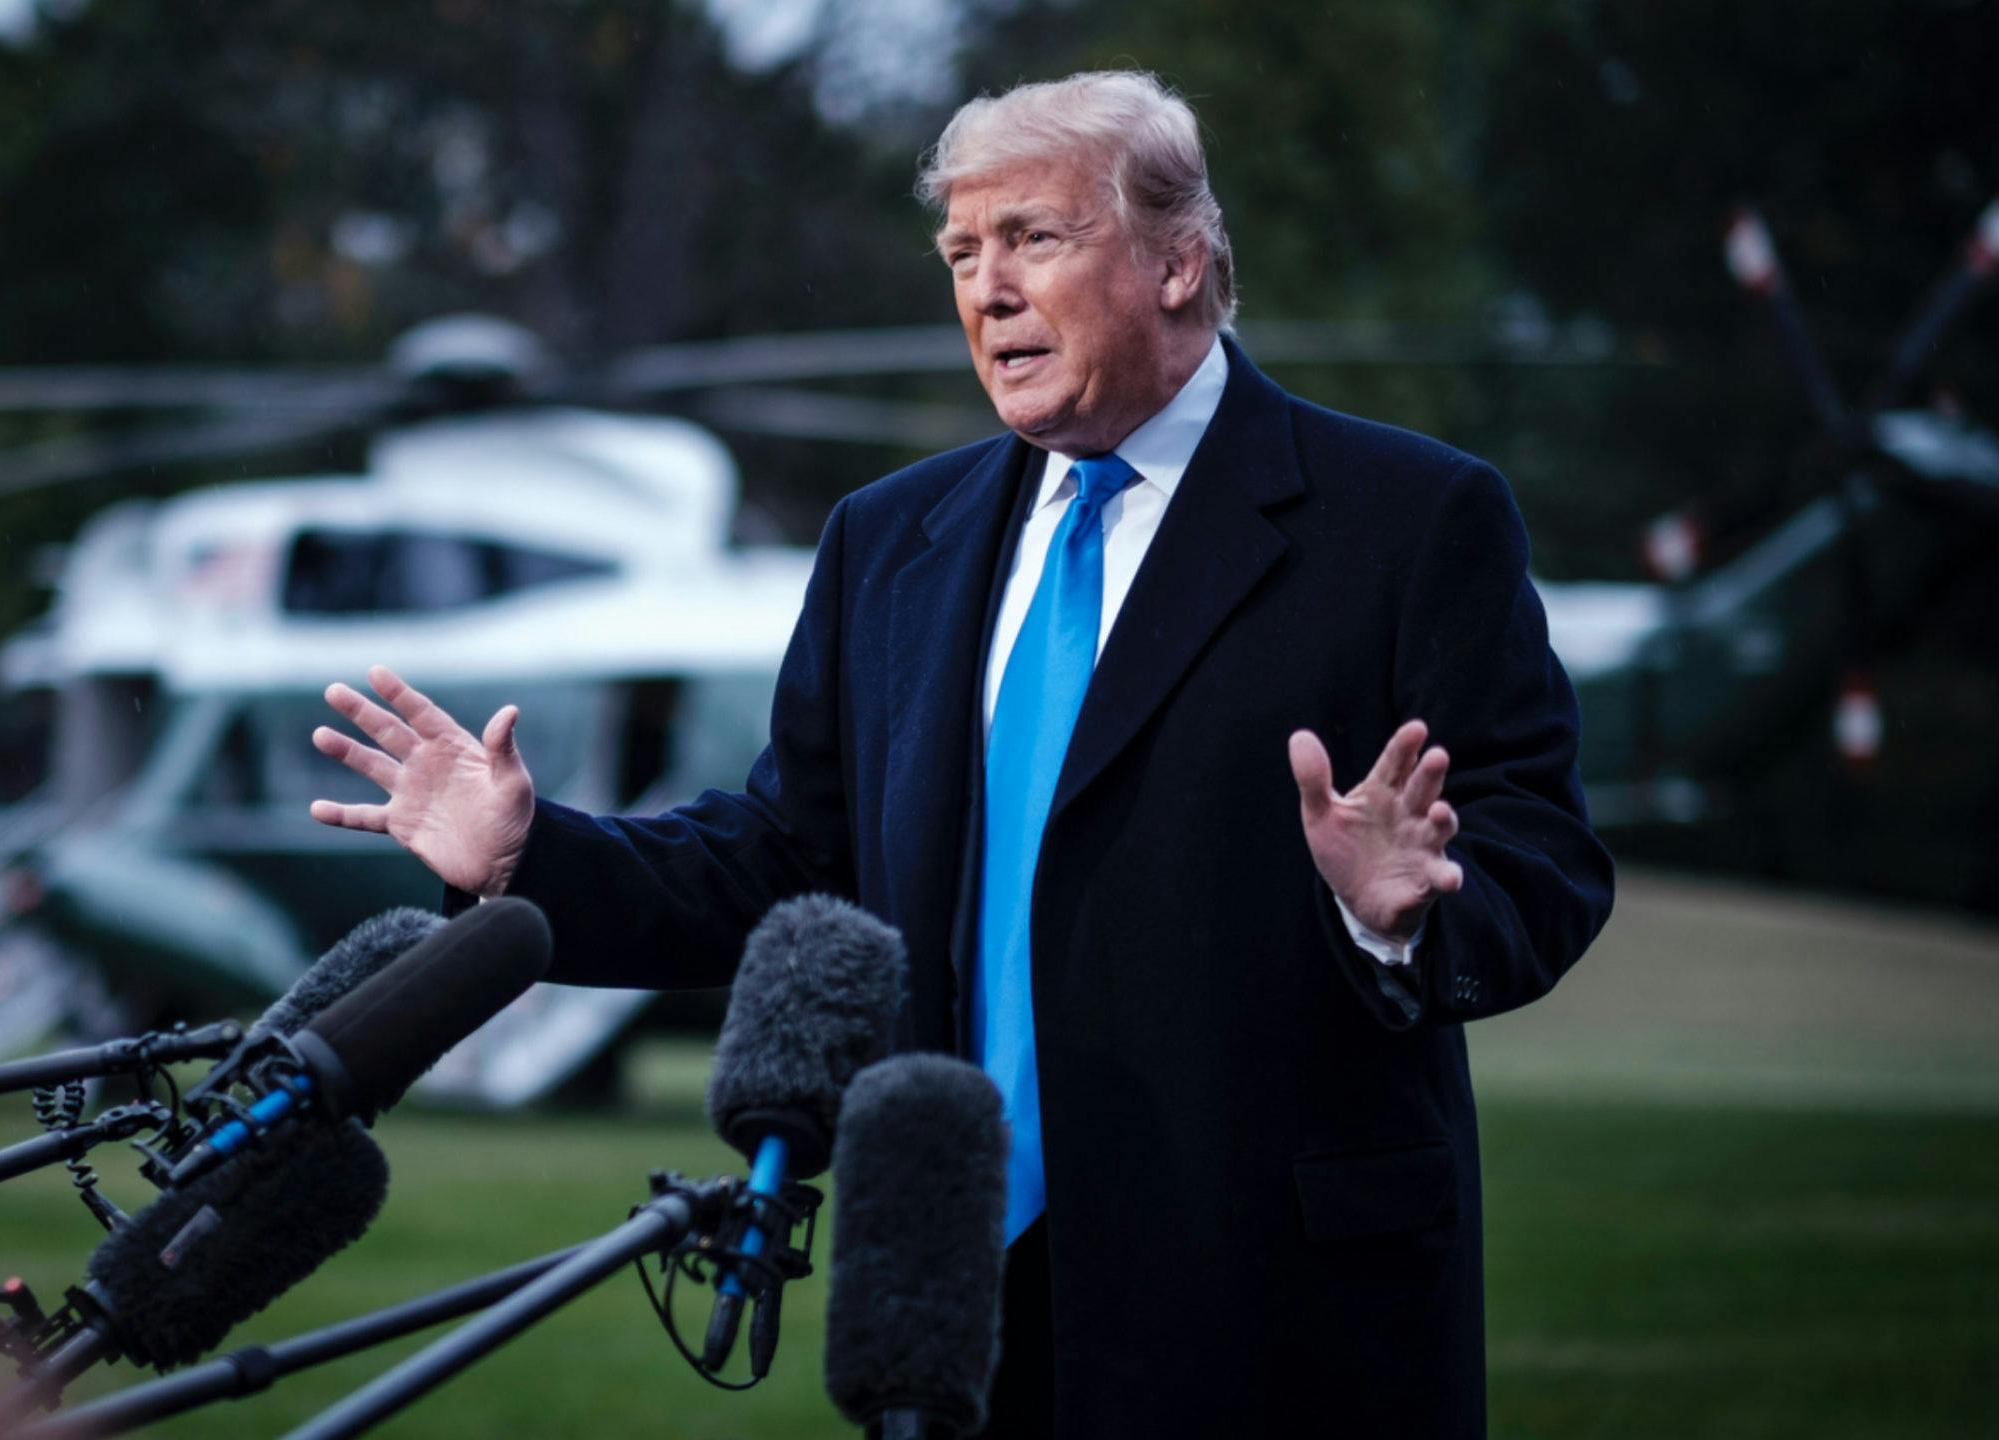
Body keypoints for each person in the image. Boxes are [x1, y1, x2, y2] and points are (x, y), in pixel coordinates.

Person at [308, 70, 1613, 1439]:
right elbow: (790, 862)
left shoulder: (1408, 521)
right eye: (962, 253)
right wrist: (532, 856)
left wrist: (1397, 915)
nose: (986, 288)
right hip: (950, 1304)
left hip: (1277, 1311)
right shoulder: (891, 541)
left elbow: (1545, 856)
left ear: (1179, 260)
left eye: (1034, 239)